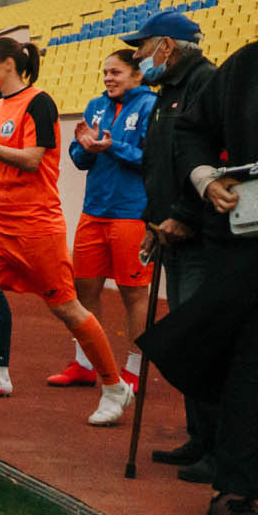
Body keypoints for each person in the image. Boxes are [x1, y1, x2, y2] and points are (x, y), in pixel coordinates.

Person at [0, 36, 132, 425]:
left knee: (65, 306)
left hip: (35, 224)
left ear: (8, 64)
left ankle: (114, 386)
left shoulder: (39, 102)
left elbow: (32, 160)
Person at [161, 0, 258, 515]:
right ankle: (233, 492)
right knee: (255, 368)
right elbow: (191, 131)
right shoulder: (250, 65)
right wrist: (207, 179)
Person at [127, 11, 224, 480]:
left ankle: (220, 447)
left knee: (203, 339)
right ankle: (200, 437)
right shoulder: (165, 93)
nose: (138, 58)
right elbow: (158, 164)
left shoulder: (206, 83)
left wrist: (184, 215)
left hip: (200, 235)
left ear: (166, 46)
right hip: (170, 232)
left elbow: (211, 160)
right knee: (187, 339)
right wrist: (153, 220)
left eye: (143, 48)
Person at [62, 49, 156, 389]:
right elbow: (79, 158)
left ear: (137, 74)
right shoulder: (95, 106)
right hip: (94, 211)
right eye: (105, 73)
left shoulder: (151, 105)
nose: (108, 78)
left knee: (134, 293)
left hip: (131, 214)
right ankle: (86, 364)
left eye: (115, 72)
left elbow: (152, 158)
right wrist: (83, 147)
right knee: (84, 289)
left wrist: (111, 146)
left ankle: (135, 369)